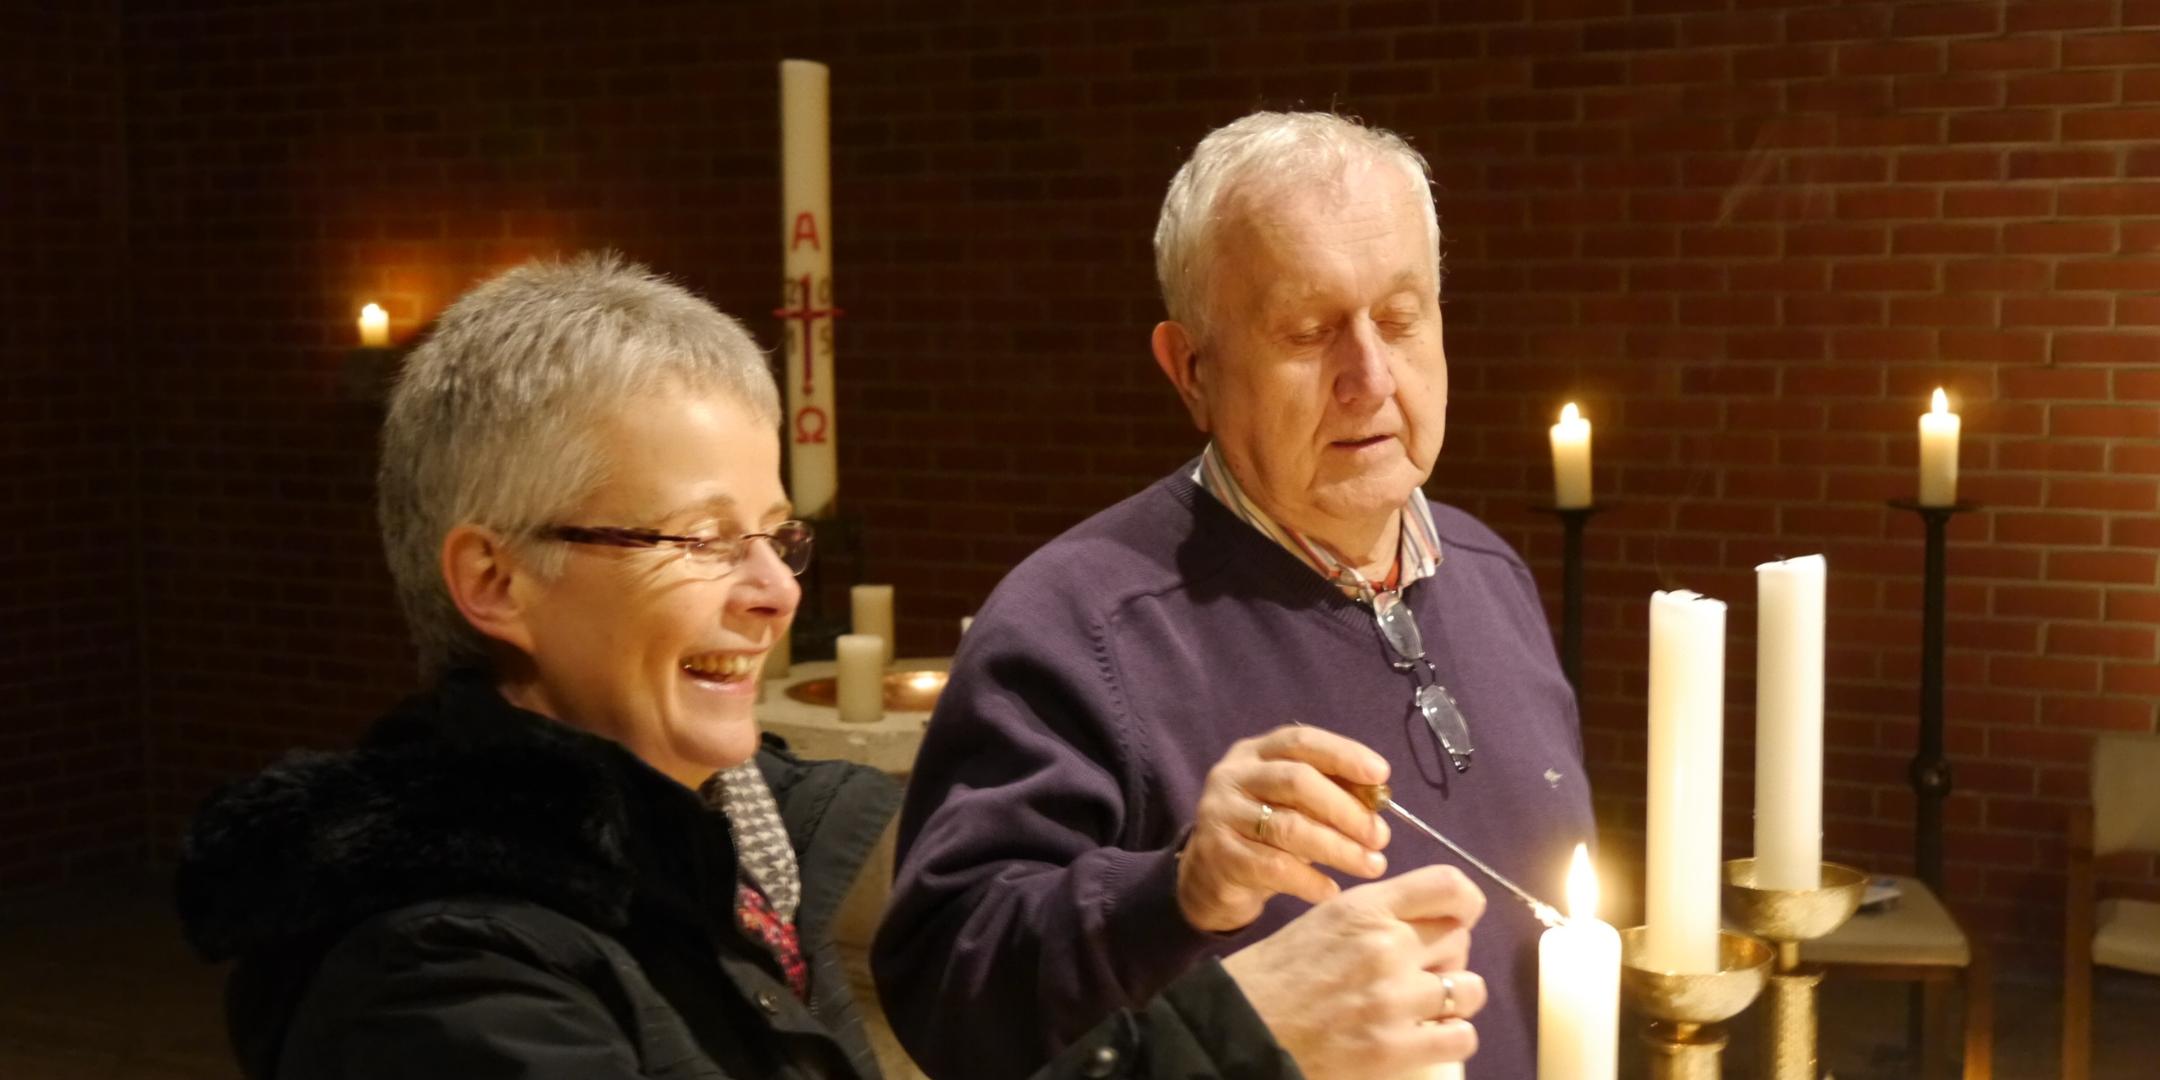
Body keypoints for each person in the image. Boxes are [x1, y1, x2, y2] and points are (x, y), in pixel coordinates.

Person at [171, 254, 1490, 1080]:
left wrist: (1187, 877)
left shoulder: (733, 858)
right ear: (495, 581)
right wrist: (1232, 1042)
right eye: (700, 538)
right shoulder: (436, 982)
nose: (775, 589)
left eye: (774, 532)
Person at [874, 112, 1596, 1080]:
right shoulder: (1074, 626)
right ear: (1192, 371)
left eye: (1399, 316)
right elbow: (944, 989)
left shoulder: (1489, 572)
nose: (1369, 378)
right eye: (1308, 331)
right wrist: (1175, 893)